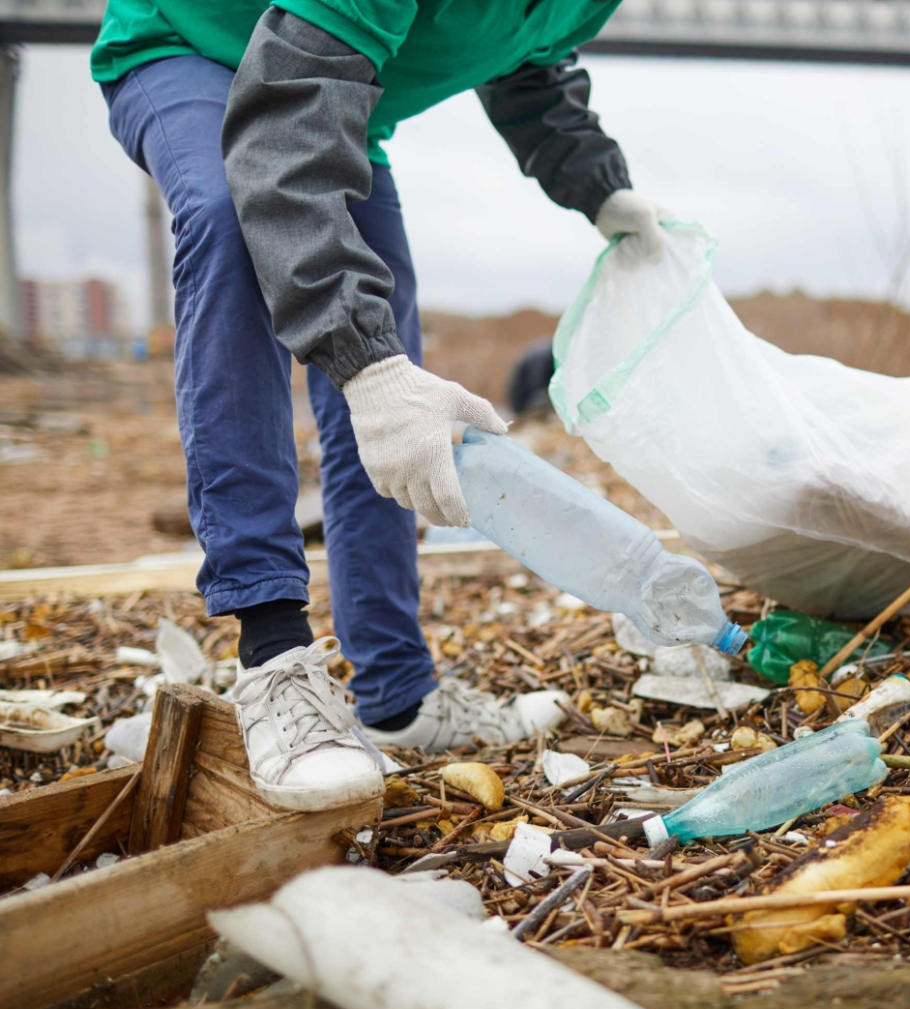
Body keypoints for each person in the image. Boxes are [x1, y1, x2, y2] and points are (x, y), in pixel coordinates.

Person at [91, 1, 670, 812]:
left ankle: (395, 693)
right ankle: (274, 660)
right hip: (198, 51)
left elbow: (525, 57)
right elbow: (289, 115)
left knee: (385, 326)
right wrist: (361, 365)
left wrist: (601, 188)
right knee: (230, 227)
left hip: (329, 104)